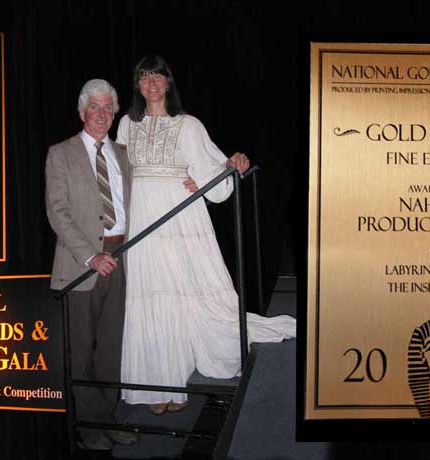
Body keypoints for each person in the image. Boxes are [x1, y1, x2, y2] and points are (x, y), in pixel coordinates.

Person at [116, 55, 296, 415]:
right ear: (137, 85)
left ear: (169, 83)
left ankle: (177, 375)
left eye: (158, 77)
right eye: (144, 78)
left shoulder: (189, 125)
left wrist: (232, 165)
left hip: (180, 216)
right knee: (151, 293)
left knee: (182, 290)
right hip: (142, 219)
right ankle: (158, 384)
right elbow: (120, 175)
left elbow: (213, 173)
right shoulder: (126, 125)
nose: (151, 84)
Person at [44, 78, 138, 451]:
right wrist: (91, 255)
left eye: (107, 108)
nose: (102, 114)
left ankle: (108, 418)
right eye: (94, 107)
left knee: (112, 348)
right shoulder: (60, 153)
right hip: (82, 266)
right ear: (82, 112)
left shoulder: (125, 154)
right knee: (80, 352)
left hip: (123, 262)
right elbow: (58, 213)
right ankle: (89, 428)